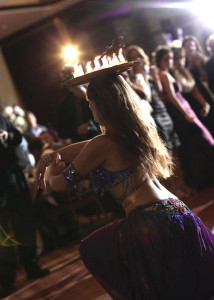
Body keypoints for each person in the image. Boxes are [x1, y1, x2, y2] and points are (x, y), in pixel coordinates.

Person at [36, 65, 214, 299]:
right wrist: (48, 156)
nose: (89, 106)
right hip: (178, 211)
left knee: (94, 250)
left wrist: (49, 175)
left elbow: (60, 185)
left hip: (152, 223)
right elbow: (81, 148)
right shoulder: (136, 130)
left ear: (103, 103)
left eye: (91, 101)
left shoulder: (103, 144)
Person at [0, 113, 49, 298]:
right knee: (2, 232)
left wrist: (8, 135)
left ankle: (31, 265)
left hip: (13, 178)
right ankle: (6, 278)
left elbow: (18, 137)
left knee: (24, 224)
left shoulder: (1, 116)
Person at [155, 46, 214, 190]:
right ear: (159, 61)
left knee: (202, 141)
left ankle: (206, 179)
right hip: (180, 111)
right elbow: (172, 97)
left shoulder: (169, 73)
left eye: (170, 58)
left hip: (185, 107)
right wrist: (185, 114)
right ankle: (202, 181)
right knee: (199, 142)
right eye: (166, 59)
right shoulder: (163, 74)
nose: (169, 62)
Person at [57, 65, 100, 142]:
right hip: (81, 141)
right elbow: (61, 130)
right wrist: (76, 131)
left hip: (99, 136)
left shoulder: (94, 91)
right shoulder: (66, 102)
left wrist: (86, 96)